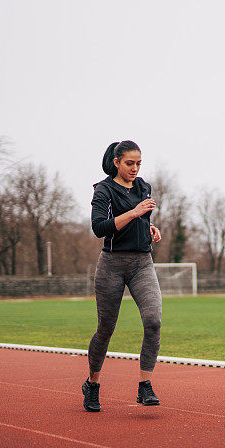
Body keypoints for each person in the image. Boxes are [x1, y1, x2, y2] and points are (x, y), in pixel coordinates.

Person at [82, 140, 163, 412]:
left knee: (153, 321)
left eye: (139, 163)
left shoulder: (143, 187)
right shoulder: (104, 190)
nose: (135, 168)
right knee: (106, 329)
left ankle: (145, 386)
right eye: (130, 163)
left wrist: (149, 227)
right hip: (112, 265)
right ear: (116, 162)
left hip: (142, 262)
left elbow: (140, 218)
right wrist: (135, 213)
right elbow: (99, 228)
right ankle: (92, 384)